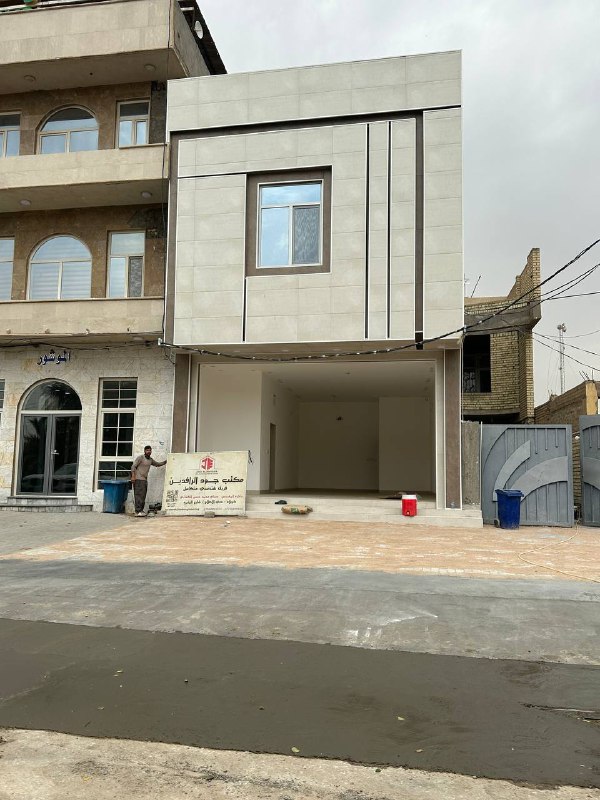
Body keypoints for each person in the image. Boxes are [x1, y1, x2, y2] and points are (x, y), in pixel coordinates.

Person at [131, 445, 167, 517]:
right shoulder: (140, 458)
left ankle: (141, 510)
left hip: (144, 480)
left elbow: (157, 464)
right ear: (144, 451)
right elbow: (133, 466)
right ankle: (137, 511)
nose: (148, 451)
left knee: (143, 496)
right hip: (138, 479)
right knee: (138, 495)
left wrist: (165, 462)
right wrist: (133, 476)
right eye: (147, 450)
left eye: (150, 450)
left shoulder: (150, 460)